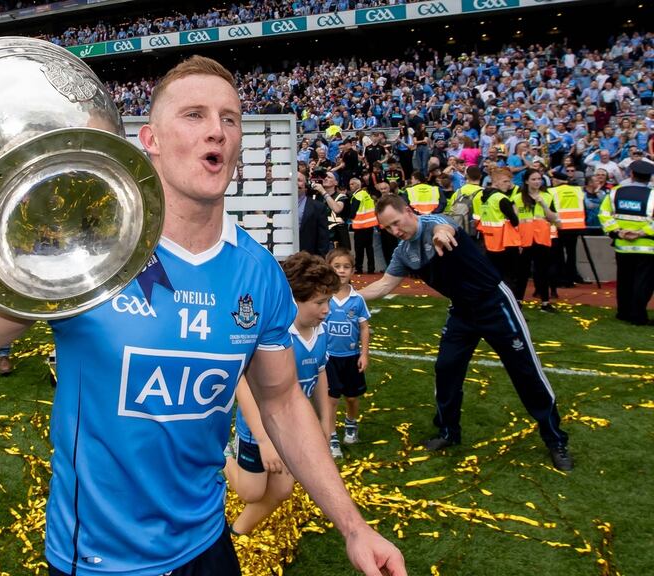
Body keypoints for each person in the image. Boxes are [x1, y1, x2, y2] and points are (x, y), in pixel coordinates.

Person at [0, 55, 405, 576]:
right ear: (150, 140)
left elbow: (280, 402)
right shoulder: (92, 252)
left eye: (229, 119)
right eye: (194, 115)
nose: (217, 131)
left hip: (207, 547)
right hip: (97, 560)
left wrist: (354, 526)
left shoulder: (259, 274)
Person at [359, 195, 573, 471]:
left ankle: (555, 440)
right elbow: (385, 285)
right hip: (462, 312)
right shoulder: (403, 252)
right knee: (446, 368)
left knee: (526, 372)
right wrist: (346, 299)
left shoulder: (433, 223)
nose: (394, 231)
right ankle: (448, 432)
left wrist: (442, 236)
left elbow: (443, 228)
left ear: (409, 212)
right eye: (387, 228)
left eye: (396, 223)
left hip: (494, 303)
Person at [224, 252, 337, 535]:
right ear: (293, 301)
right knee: (251, 492)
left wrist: (326, 421)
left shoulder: (320, 331)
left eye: (329, 302)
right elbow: (243, 385)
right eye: (320, 303)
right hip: (257, 430)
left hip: (290, 427)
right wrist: (263, 440)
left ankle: (238, 531)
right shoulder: (276, 338)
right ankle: (221, 453)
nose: (326, 310)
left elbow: (322, 373)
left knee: (283, 489)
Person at [324, 248, 372, 456]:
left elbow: (364, 327)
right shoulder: (323, 296)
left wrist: (364, 354)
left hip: (351, 358)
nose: (341, 271)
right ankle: (331, 436)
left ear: (353, 270)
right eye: (337, 266)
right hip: (328, 359)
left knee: (352, 398)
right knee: (331, 399)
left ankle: (351, 423)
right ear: (329, 269)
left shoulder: (357, 300)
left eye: (346, 267)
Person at [599, 160, 654, 325]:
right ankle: (638, 315)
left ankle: (623, 312)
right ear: (649, 178)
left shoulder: (615, 192)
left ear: (631, 174)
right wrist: (641, 232)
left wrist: (618, 231)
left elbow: (604, 214)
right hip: (647, 246)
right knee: (643, 282)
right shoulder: (653, 195)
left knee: (624, 280)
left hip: (622, 245)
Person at [511, 169, 560, 312]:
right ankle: (518, 301)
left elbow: (553, 218)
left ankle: (545, 303)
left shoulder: (547, 196)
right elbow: (514, 220)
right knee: (522, 273)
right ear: (526, 181)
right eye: (533, 179)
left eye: (539, 179)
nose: (537, 182)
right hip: (524, 240)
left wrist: (544, 204)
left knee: (542, 271)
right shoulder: (518, 197)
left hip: (542, 239)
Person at [297, 170, 331, 257]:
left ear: (306, 186)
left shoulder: (318, 207)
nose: (295, 183)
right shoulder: (277, 206)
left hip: (308, 258)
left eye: (299, 180)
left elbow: (323, 238)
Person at [350, 178, 377, 274]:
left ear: (358, 185)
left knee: (359, 248)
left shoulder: (357, 196)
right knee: (369, 247)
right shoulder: (366, 195)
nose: (350, 185)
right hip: (369, 224)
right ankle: (371, 268)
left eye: (352, 184)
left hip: (360, 225)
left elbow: (352, 213)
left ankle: (359, 268)